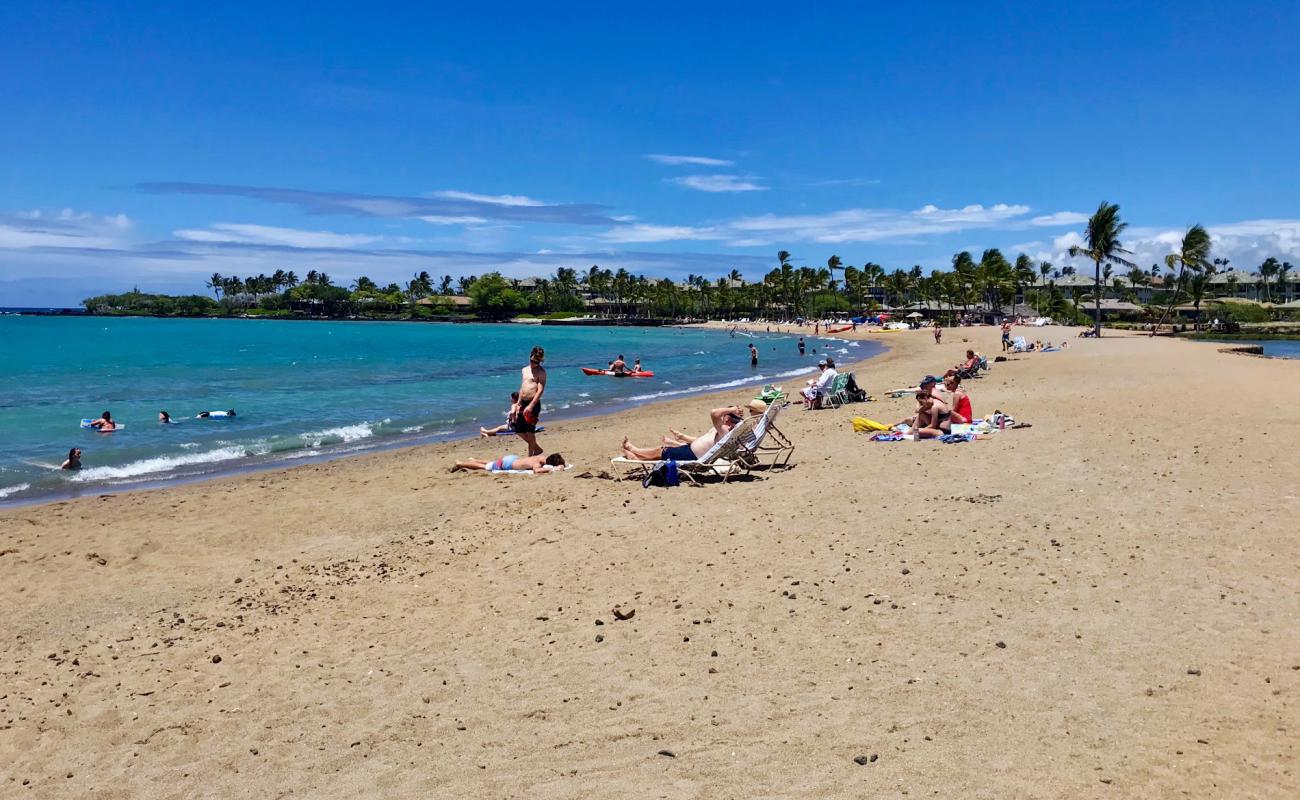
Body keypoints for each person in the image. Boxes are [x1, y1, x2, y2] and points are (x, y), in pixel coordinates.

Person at [620, 402, 763, 462]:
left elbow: (713, 413)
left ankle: (633, 449)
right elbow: (706, 438)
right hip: (691, 450)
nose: (723, 415)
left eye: (726, 414)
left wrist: (731, 410)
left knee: (661, 451)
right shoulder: (726, 430)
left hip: (693, 456)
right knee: (666, 452)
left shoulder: (725, 429)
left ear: (728, 418)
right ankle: (636, 458)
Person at [511, 346, 547, 456]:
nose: (534, 363)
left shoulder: (541, 372)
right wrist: (518, 404)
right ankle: (536, 448)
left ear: (540, 361)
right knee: (518, 429)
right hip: (523, 403)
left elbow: (540, 390)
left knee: (530, 431)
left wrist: (531, 406)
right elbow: (522, 388)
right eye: (532, 360)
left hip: (533, 404)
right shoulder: (524, 370)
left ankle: (530, 456)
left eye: (537, 361)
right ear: (530, 357)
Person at [452, 452, 566, 473]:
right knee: (487, 467)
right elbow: (537, 471)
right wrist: (552, 469)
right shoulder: (538, 464)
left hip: (512, 458)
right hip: (507, 464)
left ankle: (473, 460)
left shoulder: (542, 457)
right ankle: (460, 464)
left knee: (492, 463)